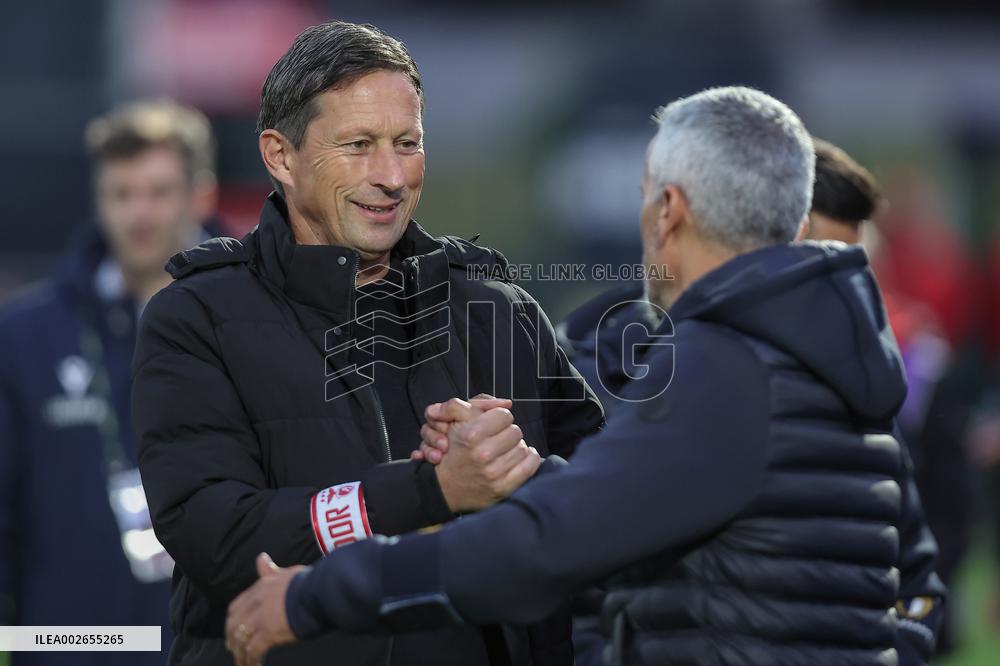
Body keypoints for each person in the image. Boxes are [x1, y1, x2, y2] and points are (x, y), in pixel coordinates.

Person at [227, 86, 944, 666]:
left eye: (642, 194)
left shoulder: (729, 363)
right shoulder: (810, 346)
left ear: (668, 211)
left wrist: (318, 594)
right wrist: (522, 478)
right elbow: (657, 520)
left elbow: (543, 549)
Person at [131, 21, 604, 666]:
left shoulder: (500, 312)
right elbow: (218, 536)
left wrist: (520, 472)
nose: (390, 175)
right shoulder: (193, 318)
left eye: (406, 143)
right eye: (358, 145)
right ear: (281, 157)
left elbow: (610, 514)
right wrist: (431, 491)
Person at [0, 99, 219, 665]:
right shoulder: (24, 337)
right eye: (121, 194)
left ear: (201, 195)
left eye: (158, 191)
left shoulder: (262, 322)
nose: (138, 213)